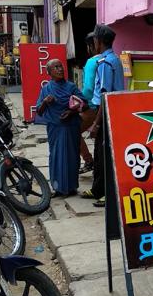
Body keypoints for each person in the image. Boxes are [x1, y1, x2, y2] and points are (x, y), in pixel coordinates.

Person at [81, 24, 124, 207]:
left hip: (107, 113)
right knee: (99, 153)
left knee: (106, 154)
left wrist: (96, 124)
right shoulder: (112, 59)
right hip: (108, 111)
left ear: (98, 42)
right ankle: (98, 189)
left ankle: (109, 192)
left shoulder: (106, 63)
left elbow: (105, 96)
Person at [35, 59, 84, 197]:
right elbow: (39, 111)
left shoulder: (71, 87)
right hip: (55, 128)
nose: (60, 69)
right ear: (49, 72)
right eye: (56, 67)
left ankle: (72, 187)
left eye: (60, 66)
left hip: (71, 126)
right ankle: (58, 188)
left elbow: (84, 104)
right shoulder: (46, 89)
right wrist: (45, 101)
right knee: (56, 156)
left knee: (72, 156)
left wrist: (71, 112)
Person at [77, 32, 98, 174]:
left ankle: (88, 160)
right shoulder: (112, 59)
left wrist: (80, 102)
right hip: (105, 105)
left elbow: (88, 88)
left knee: (73, 131)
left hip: (91, 106)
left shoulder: (92, 62)